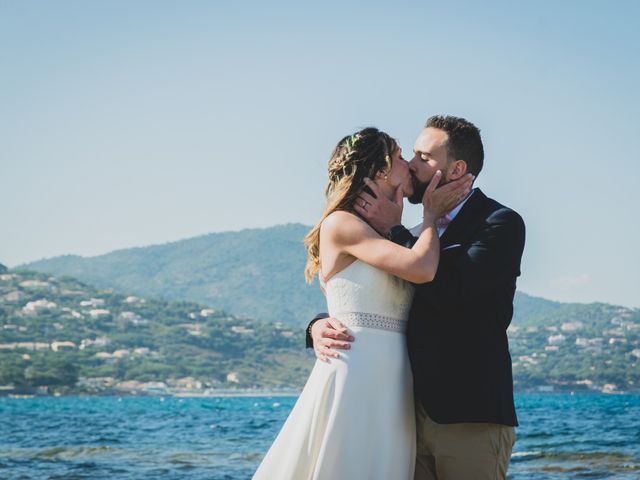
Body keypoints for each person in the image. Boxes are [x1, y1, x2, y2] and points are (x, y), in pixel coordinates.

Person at [308, 115, 526, 480]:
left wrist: (399, 228)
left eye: (423, 157)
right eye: (410, 154)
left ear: (456, 169)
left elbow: (450, 293)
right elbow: (369, 290)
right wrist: (318, 324)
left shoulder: (499, 224)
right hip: (400, 410)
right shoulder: (412, 233)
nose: (410, 164)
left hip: (467, 412)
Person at [253, 127, 473, 480]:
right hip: (357, 368)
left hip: (395, 376)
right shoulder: (342, 224)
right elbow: (421, 268)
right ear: (382, 169)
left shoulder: (394, 233)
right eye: (401, 156)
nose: (410, 164)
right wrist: (430, 216)